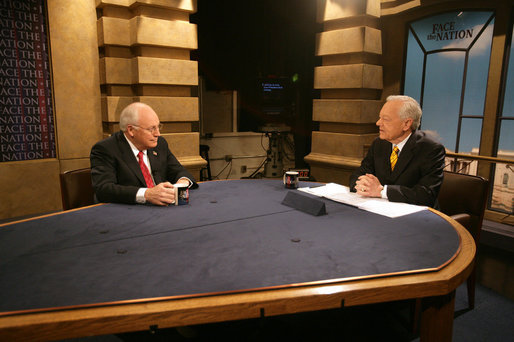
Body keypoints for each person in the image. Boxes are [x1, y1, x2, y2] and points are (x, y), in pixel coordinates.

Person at [90, 102, 197, 205]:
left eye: (158, 127)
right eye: (151, 129)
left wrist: (180, 185)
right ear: (131, 130)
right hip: (125, 212)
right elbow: (104, 189)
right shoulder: (105, 149)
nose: (157, 134)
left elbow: (180, 171)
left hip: (162, 209)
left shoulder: (160, 144)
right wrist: (146, 194)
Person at [349, 95, 445, 208]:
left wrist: (381, 191)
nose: (378, 123)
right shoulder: (379, 143)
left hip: (417, 216)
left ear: (406, 124)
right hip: (379, 210)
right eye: (380, 117)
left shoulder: (431, 149)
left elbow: (426, 195)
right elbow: (358, 174)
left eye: (385, 119)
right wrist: (363, 185)